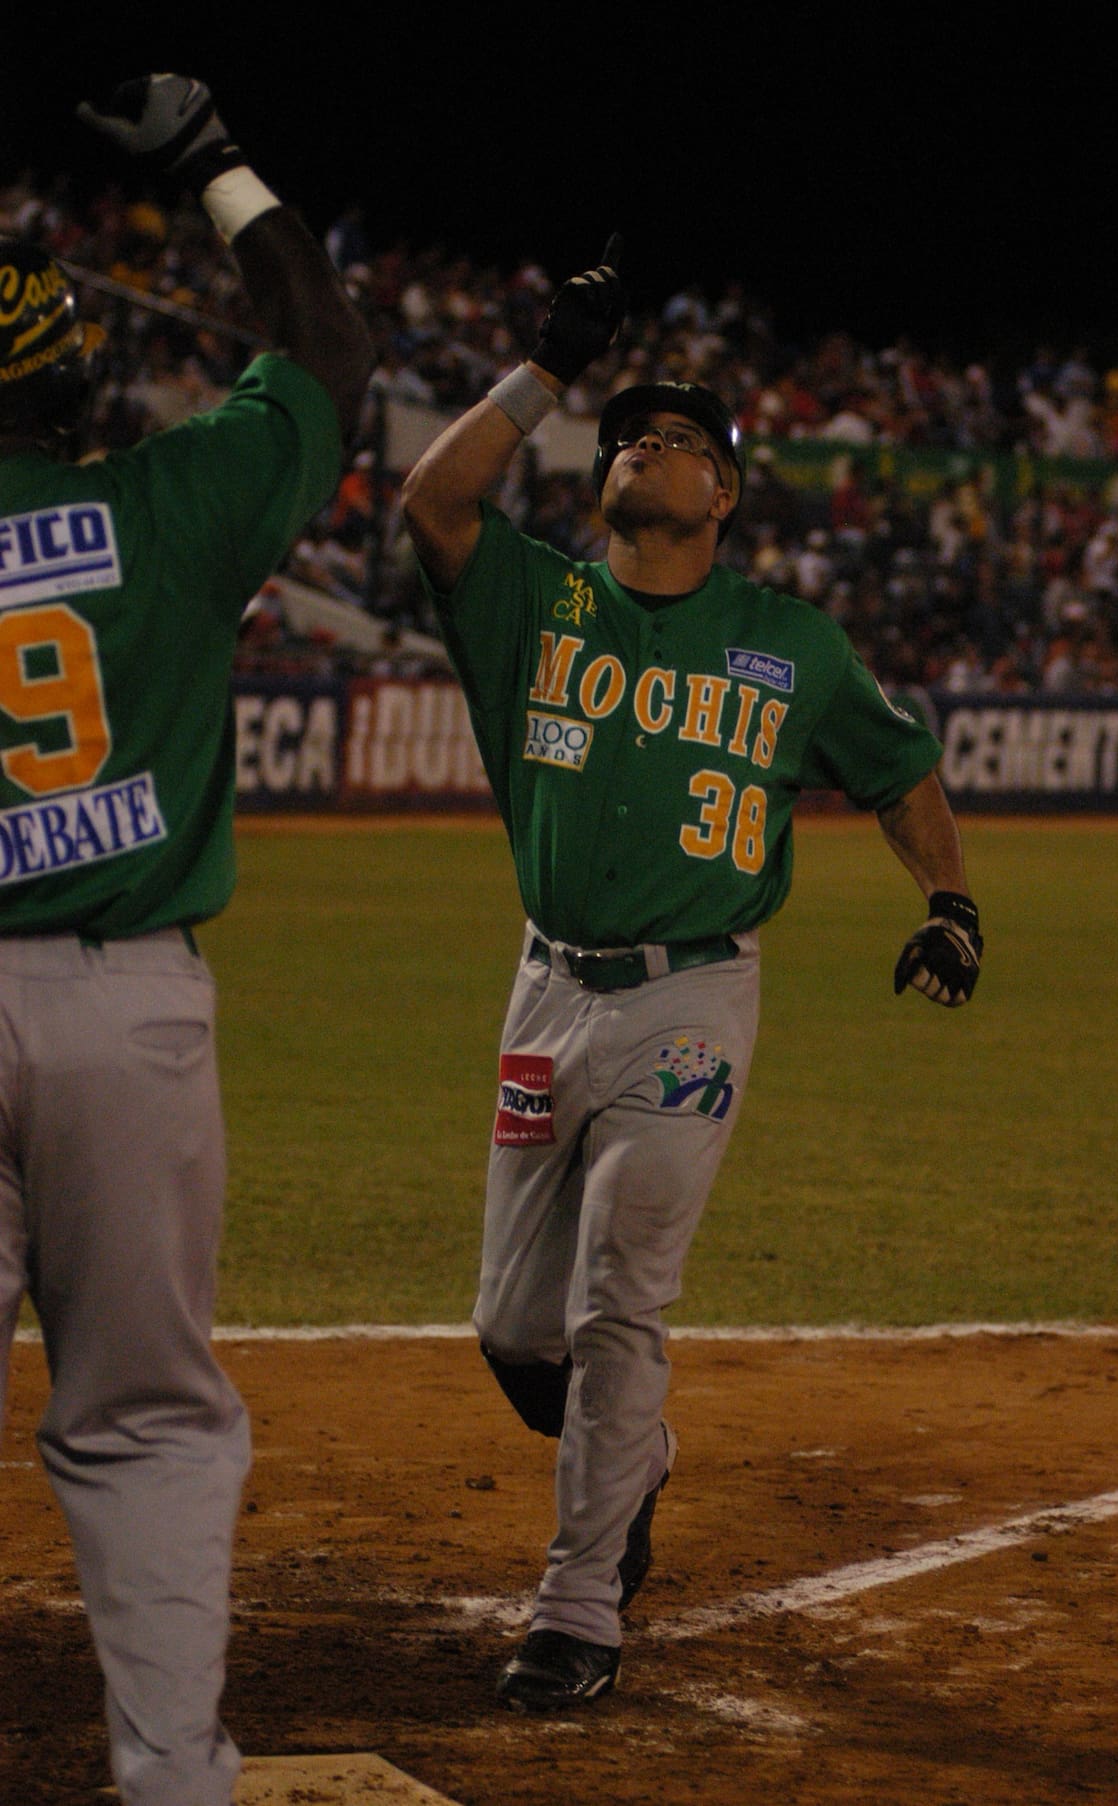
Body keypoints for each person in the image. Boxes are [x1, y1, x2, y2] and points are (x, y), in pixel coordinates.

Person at [400, 240, 982, 1713]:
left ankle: (580, 1605)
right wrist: (546, 366)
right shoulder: (533, 604)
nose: (641, 446)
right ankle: (636, 1453)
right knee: (513, 1334)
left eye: (677, 440)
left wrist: (955, 902)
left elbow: (900, 769)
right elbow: (433, 496)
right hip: (547, 990)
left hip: (691, 997)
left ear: (724, 491)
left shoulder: (786, 640)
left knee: (616, 1297)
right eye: (627, 434)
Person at [0, 75, 372, 1805]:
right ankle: (171, 1778)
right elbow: (326, 357)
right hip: (126, 1006)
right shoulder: (172, 505)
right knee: (145, 1423)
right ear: (70, 376)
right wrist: (213, 156)